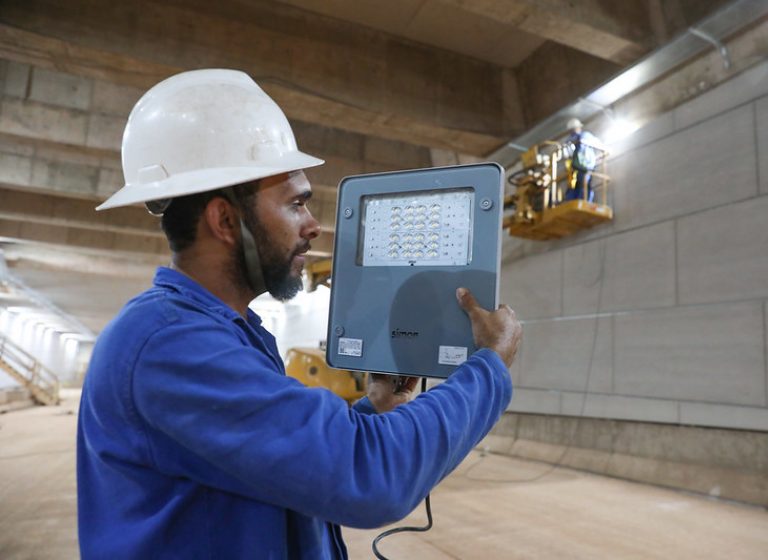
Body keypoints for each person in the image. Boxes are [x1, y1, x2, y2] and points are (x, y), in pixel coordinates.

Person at [77, 69, 522, 559]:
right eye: (294, 205)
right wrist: (489, 368)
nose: (313, 225)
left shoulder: (226, 331)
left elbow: (277, 465)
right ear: (225, 220)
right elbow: (367, 476)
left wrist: (374, 407)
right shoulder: (167, 344)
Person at [564, 118, 603, 203]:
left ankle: (578, 201)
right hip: (582, 166)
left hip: (580, 166)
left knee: (579, 185)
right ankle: (581, 201)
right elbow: (599, 145)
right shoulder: (581, 137)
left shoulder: (577, 138)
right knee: (581, 185)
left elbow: (568, 155)